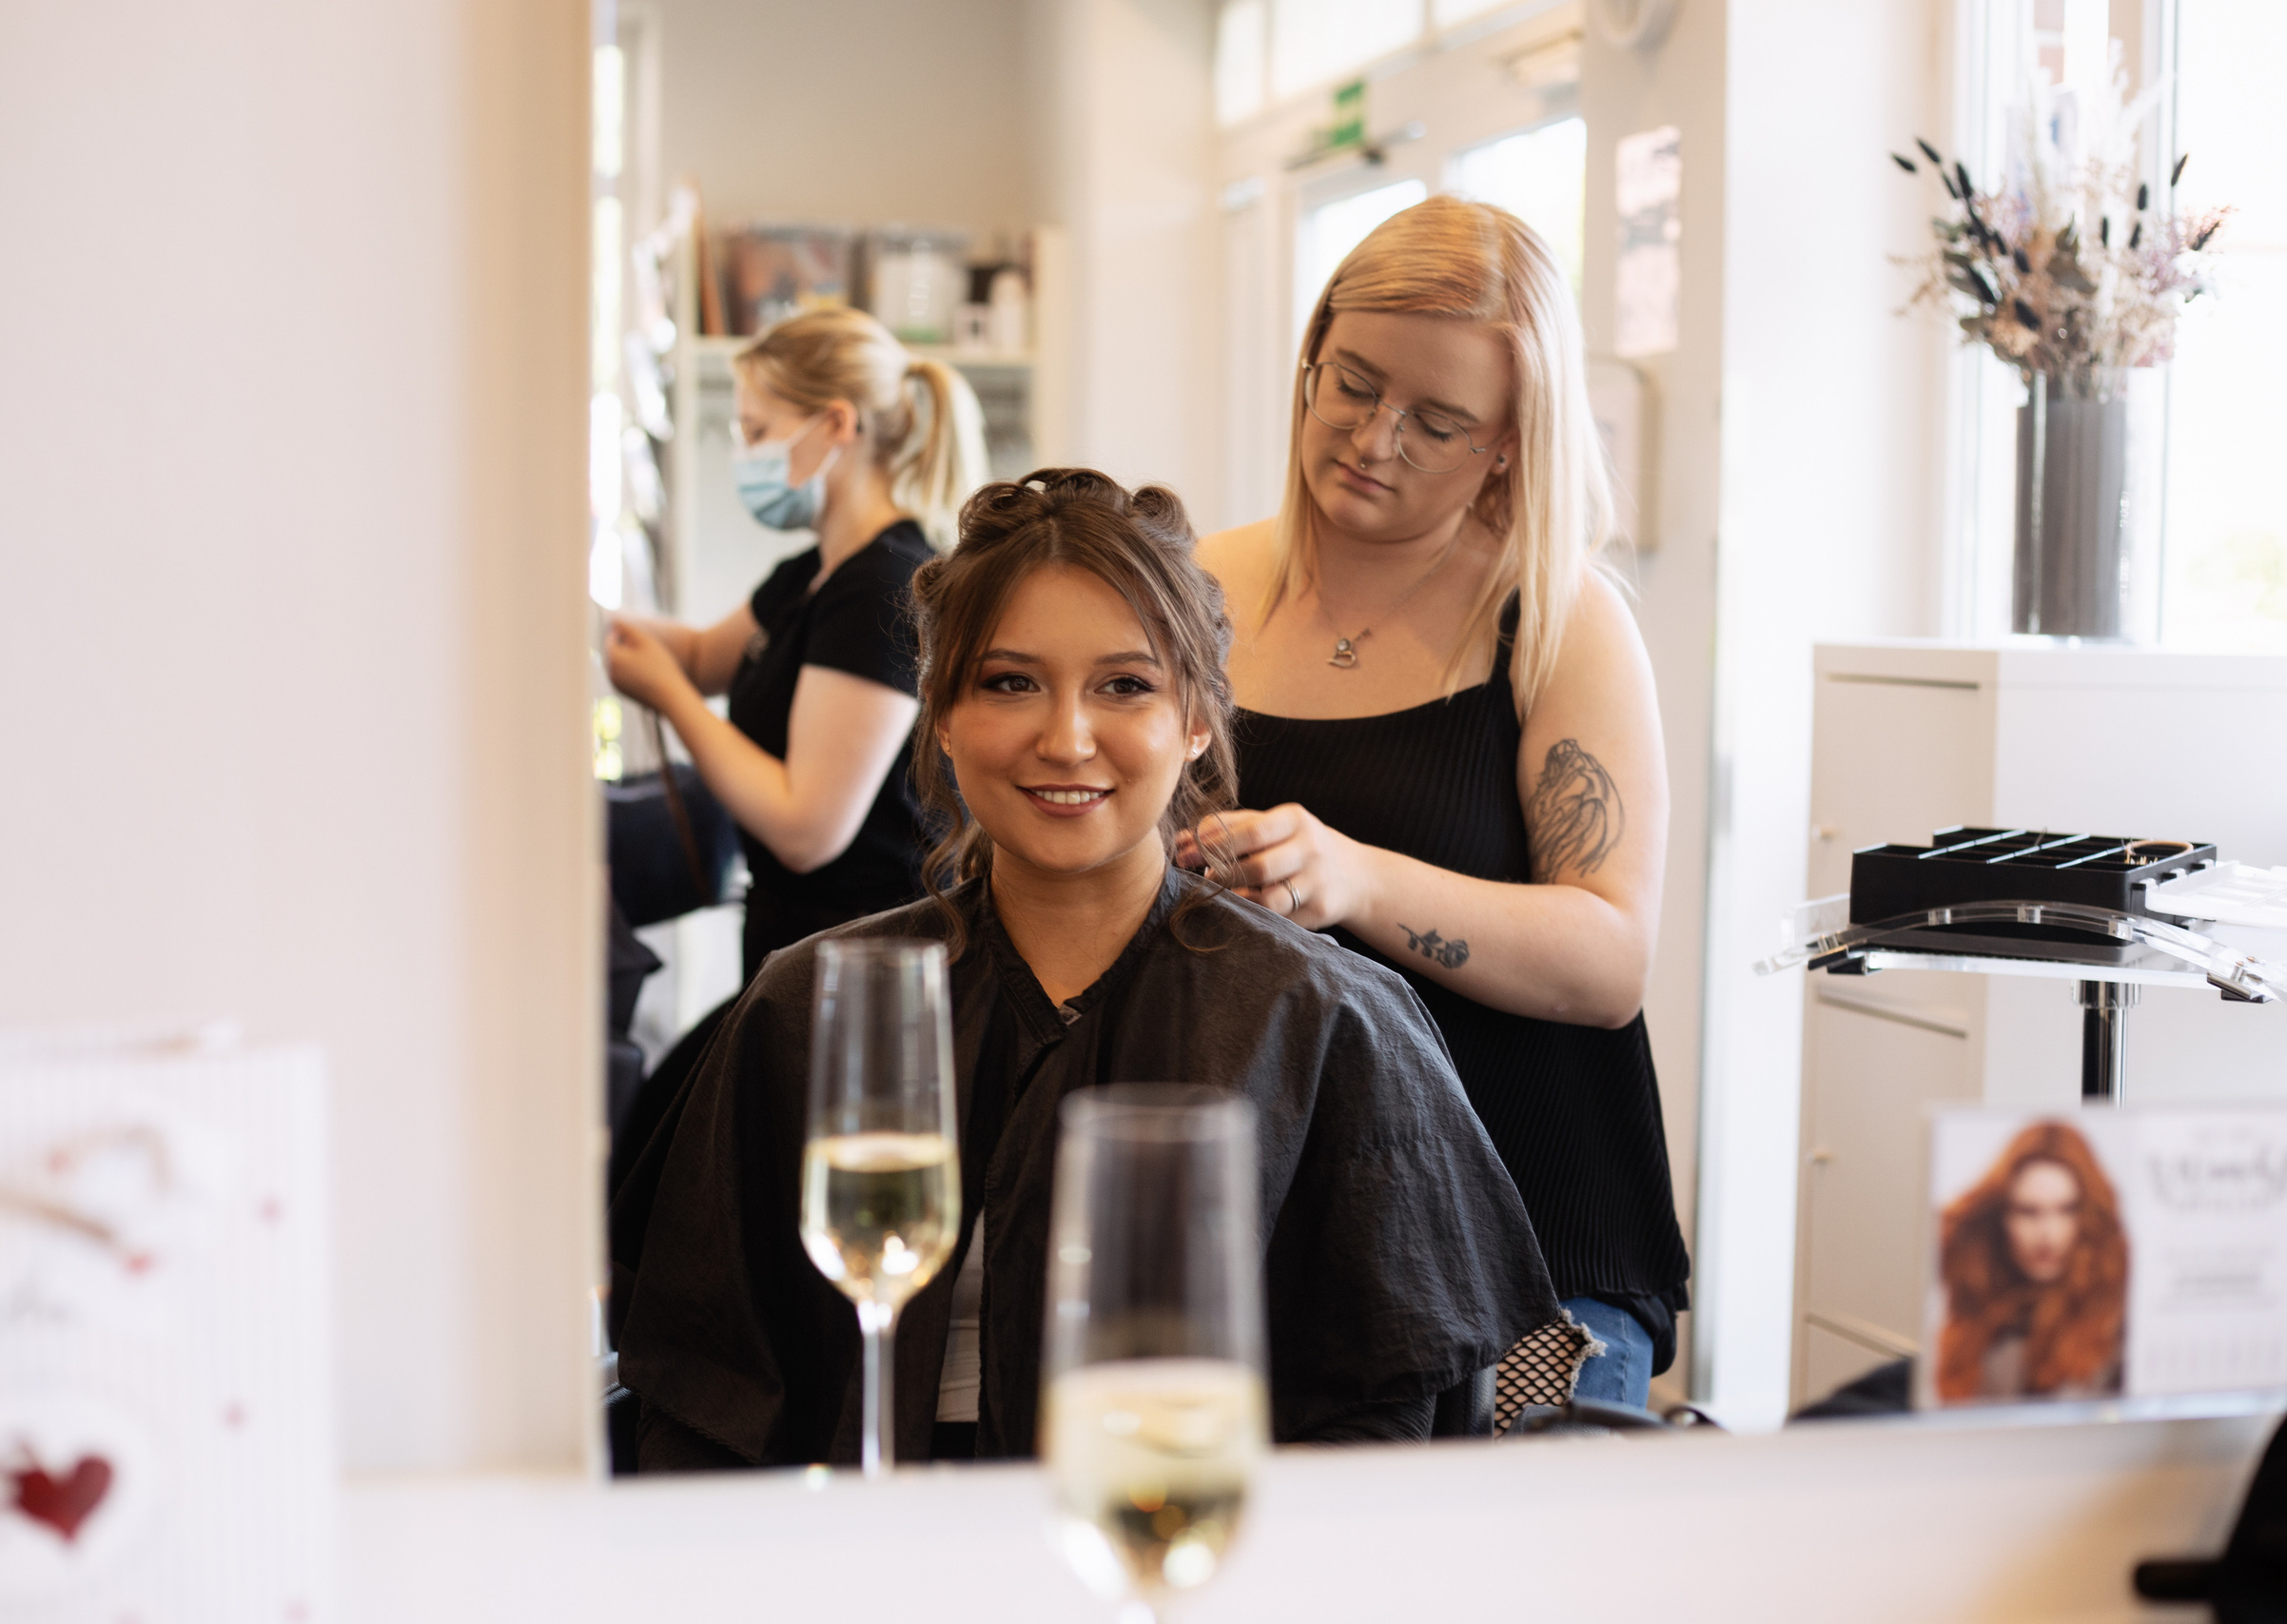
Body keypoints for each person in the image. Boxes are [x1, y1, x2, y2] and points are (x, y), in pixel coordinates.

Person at [610, 469, 1559, 1469]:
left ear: (1196, 719)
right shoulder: (810, 1009)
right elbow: (701, 1404)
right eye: (1009, 682)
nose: (1065, 740)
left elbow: (1390, 1430)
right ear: (941, 712)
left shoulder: (1325, 1024)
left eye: (1125, 685)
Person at [1181, 196, 1690, 1406]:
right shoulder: (1196, 591)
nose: (1374, 438)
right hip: (1276, 1236)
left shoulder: (1556, 621)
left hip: (1524, 1258)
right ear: (1311, 358)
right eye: (1352, 386)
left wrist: (1355, 879)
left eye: (1437, 421)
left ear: (1509, 443)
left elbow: (1609, 960)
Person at [603, 305, 988, 983]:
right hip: (795, 951)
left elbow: (806, 829)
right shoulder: (813, 573)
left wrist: (667, 696)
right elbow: (698, 657)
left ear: (836, 424)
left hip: (862, 971)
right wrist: (576, 619)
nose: (746, 454)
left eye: (757, 432)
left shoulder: (883, 588)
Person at [1934, 1121, 2126, 1402]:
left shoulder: (2116, 1330)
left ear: (2087, 1216)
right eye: (2029, 1212)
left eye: (2066, 1210)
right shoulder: (1975, 1324)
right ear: (2001, 1217)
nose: (2048, 1235)